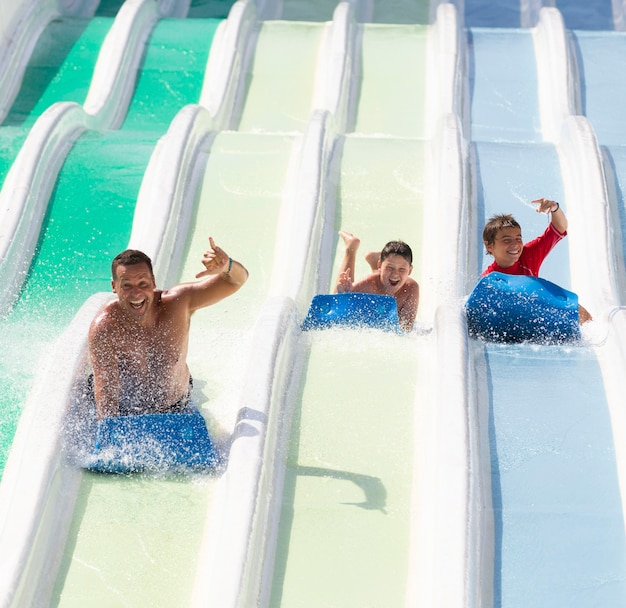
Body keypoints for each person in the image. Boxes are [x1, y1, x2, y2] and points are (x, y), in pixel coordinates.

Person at [88, 237, 248, 419]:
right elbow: (107, 394)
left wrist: (228, 266)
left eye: (143, 283)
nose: (136, 293)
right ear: (114, 287)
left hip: (176, 405)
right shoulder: (106, 327)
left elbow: (236, 281)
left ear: (153, 282)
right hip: (128, 409)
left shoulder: (178, 303)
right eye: (126, 286)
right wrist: (109, 431)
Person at [482, 197, 591, 323]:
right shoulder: (489, 279)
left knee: (577, 310)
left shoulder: (528, 255)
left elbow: (559, 228)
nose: (515, 245)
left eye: (518, 238)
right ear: (489, 246)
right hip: (514, 322)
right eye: (506, 240)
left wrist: (554, 208)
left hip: (538, 315)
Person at [334, 230, 419, 332]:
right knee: (344, 284)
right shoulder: (368, 285)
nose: (395, 274)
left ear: (410, 270)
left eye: (402, 269)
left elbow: (406, 329)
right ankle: (351, 248)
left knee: (387, 277)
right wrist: (344, 292)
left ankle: (376, 262)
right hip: (375, 279)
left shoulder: (411, 289)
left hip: (381, 277)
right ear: (380, 265)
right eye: (390, 268)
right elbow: (337, 308)